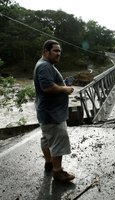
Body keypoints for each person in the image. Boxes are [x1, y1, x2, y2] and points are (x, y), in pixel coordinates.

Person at [33, 39, 75, 182]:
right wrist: (65, 88)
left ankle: (49, 162)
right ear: (46, 51)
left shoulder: (45, 65)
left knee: (46, 138)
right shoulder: (44, 66)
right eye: (55, 51)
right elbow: (47, 87)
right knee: (59, 139)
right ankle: (57, 172)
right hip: (53, 114)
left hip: (46, 111)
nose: (59, 54)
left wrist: (62, 83)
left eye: (60, 51)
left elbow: (49, 83)